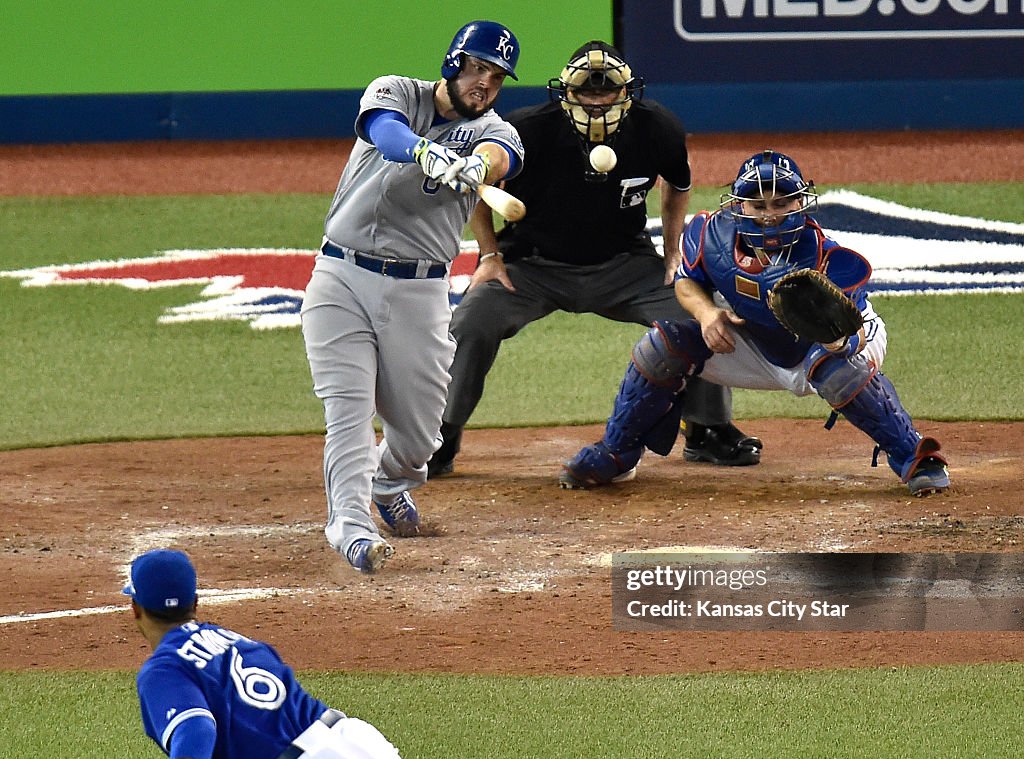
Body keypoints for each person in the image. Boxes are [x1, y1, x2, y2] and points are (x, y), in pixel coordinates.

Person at [121, 548, 705, 759]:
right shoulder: (238, 640)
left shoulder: (162, 670)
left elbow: (196, 732)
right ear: (196, 602)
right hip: (351, 741)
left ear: (135, 607)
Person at [426, 40, 761, 479]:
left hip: (624, 263)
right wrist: (489, 255)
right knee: (472, 323)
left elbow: (678, 185)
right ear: (566, 93)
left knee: (699, 311)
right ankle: (439, 437)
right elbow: (477, 190)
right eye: (588, 93)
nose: (598, 103)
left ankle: (706, 429)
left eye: (607, 93)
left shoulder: (658, 127)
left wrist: (674, 250)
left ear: (627, 92)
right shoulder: (525, 129)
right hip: (531, 264)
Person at [560, 149, 951, 496]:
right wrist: (706, 313)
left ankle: (912, 455)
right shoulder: (710, 234)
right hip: (758, 344)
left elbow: (855, 330)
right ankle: (618, 453)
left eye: (781, 203)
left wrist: (836, 343)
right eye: (758, 205)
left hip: (837, 344)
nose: (770, 215)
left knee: (834, 372)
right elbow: (686, 284)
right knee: (663, 345)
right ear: (738, 205)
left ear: (800, 203)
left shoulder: (825, 256)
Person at [301, 21, 526, 574]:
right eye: (477, 68)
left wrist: (476, 165)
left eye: (495, 76)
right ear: (453, 62)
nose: (485, 84)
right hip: (341, 278)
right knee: (348, 411)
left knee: (421, 435)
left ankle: (387, 484)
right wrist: (426, 152)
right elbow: (384, 131)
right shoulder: (397, 91)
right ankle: (349, 527)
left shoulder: (497, 130)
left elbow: (502, 157)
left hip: (419, 290)